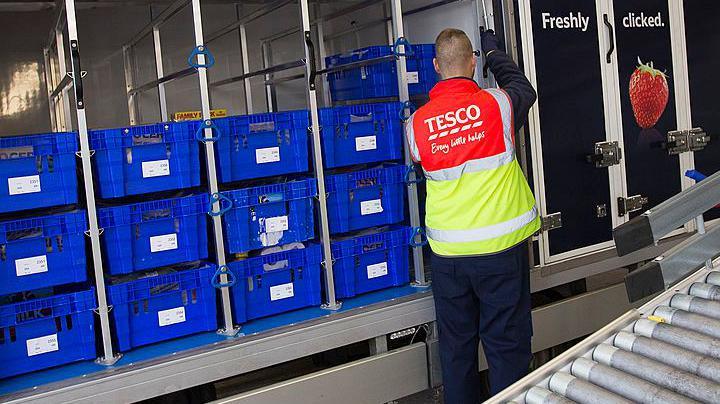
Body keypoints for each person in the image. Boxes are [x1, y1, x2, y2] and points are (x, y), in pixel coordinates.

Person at [404, 28, 540, 403]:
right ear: (473, 62)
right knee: (506, 349)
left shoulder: (415, 126)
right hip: (500, 254)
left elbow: (426, 166)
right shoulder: (499, 106)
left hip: (449, 259)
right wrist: (497, 54)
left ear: (435, 66)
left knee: (457, 352)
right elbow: (524, 90)